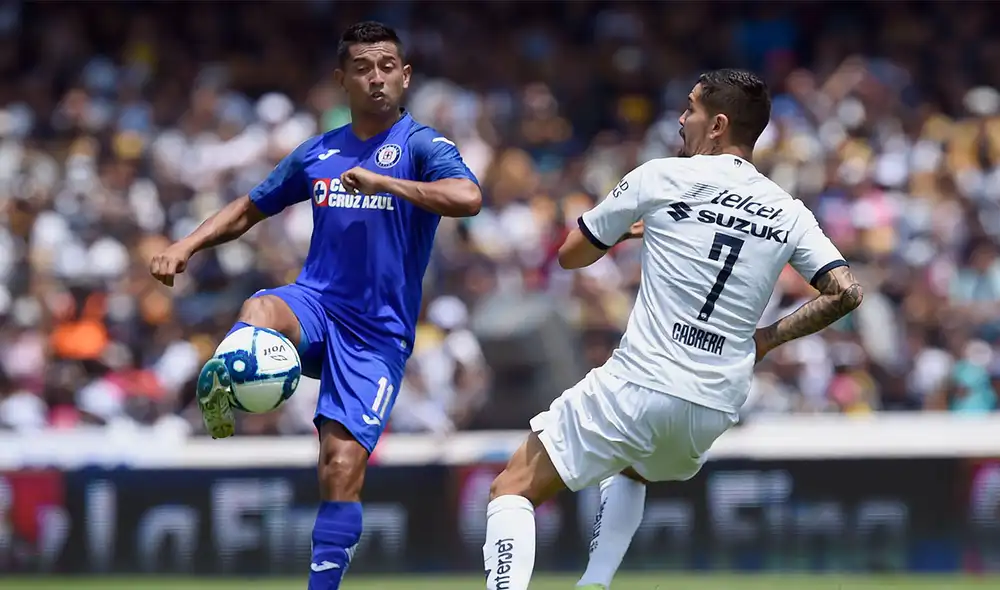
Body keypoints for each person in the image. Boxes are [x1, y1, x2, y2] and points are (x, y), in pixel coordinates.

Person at [481, 69, 863, 590]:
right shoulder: (788, 210)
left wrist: (626, 232)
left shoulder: (660, 177)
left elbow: (570, 256)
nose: (681, 120)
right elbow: (845, 291)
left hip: (641, 382)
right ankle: (594, 583)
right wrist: (766, 340)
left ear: (717, 125)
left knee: (512, 488)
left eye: (690, 109)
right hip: (712, 405)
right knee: (635, 466)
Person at [149, 21, 481, 590]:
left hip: (377, 334)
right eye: (362, 68)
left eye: (386, 67)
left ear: (405, 76)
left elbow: (468, 197)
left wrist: (389, 184)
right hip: (317, 303)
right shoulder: (318, 152)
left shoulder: (425, 146)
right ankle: (228, 384)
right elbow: (251, 208)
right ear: (342, 80)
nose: (376, 78)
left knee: (340, 469)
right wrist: (186, 244)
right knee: (260, 309)